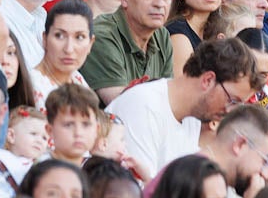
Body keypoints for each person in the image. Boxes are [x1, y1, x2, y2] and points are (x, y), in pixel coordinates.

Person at [102, 37, 255, 180]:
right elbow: (140, 192)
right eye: (232, 100)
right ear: (208, 80)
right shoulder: (143, 106)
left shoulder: (193, 117)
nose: (229, 111)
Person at [82, 0, 176, 103]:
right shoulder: (101, 36)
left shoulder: (161, 34)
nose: (159, 3)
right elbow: (124, 106)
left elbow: (169, 98)